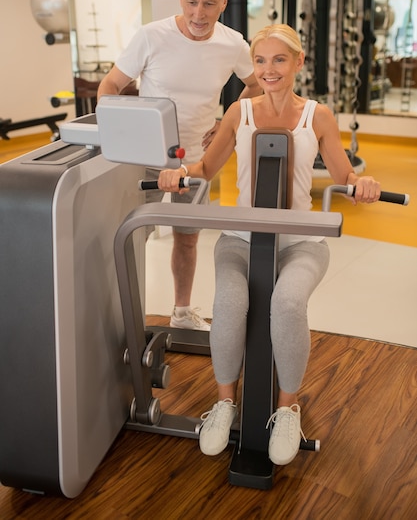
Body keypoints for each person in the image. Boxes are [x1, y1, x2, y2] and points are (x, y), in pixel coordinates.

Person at [157, 23, 381, 466]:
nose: (268, 70)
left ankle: (286, 409)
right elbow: (205, 166)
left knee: (288, 304)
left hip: (300, 242)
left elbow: (342, 175)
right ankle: (225, 403)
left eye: (279, 60)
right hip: (242, 238)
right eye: (261, 61)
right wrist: (177, 173)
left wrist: (362, 181)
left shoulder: (316, 116)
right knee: (228, 304)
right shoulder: (239, 113)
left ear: (298, 62)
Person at [97, 0, 261, 331]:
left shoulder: (233, 43)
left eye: (207, 4)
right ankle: (121, 317)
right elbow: (110, 86)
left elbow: (254, 86)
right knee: (130, 239)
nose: (198, 14)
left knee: (187, 239)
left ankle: (182, 311)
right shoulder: (151, 36)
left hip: (199, 160)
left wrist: (227, 121)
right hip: (145, 159)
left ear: (224, 2)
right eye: (190, 2)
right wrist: (119, 135)